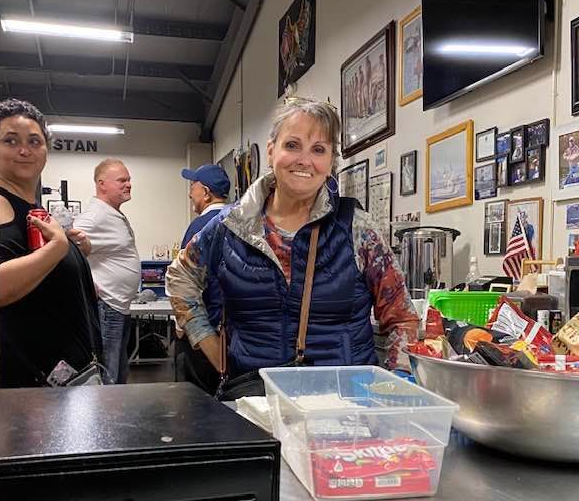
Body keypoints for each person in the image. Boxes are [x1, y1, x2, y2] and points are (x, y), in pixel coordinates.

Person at [166, 98, 418, 398]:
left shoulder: (357, 229)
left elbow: (401, 317)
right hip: (254, 401)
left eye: (319, 150)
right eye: (293, 145)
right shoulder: (229, 227)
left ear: (330, 162)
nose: (305, 160)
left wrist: (395, 384)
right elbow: (180, 278)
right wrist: (209, 344)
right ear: (271, 150)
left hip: (347, 407)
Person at [0, 99, 101, 388]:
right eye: (10, 140)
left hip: (67, 383)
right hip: (36, 392)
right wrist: (57, 250)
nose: (24, 150)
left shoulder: (30, 208)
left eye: (34, 141)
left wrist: (75, 253)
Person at [74, 159, 140, 384]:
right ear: (102, 184)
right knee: (108, 376)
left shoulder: (112, 213)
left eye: (129, 179)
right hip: (107, 306)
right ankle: (105, 419)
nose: (128, 184)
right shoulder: (96, 216)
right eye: (122, 180)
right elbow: (64, 246)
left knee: (118, 374)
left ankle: (115, 417)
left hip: (119, 306)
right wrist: (84, 280)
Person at [174, 164, 231, 393]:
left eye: (193, 187)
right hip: (232, 330)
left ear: (206, 192)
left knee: (198, 400)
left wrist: (182, 325)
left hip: (207, 332)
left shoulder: (200, 227)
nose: (190, 193)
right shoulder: (239, 220)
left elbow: (184, 281)